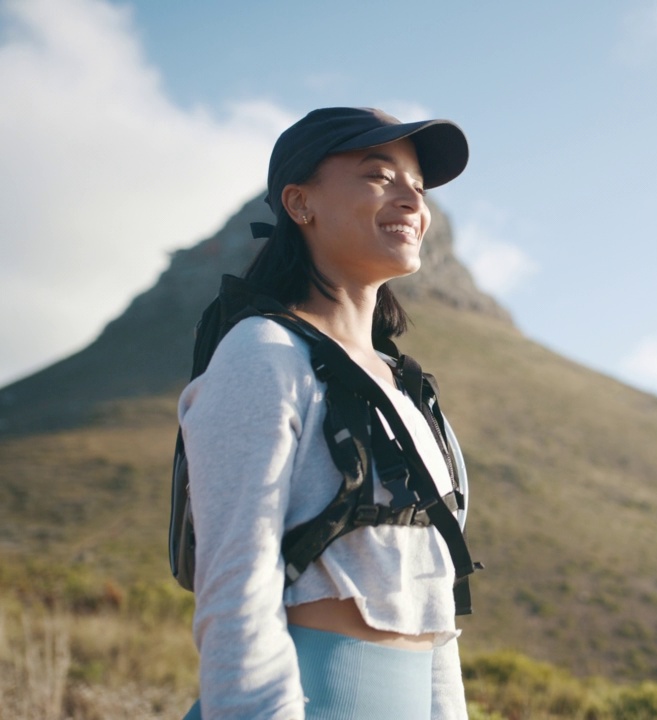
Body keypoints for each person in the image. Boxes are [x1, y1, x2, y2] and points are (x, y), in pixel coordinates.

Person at [178, 107, 473, 719]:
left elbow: (434, 605)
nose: (410, 200)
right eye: (376, 174)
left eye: (417, 187)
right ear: (300, 203)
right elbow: (236, 593)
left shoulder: (410, 393)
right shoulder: (263, 355)